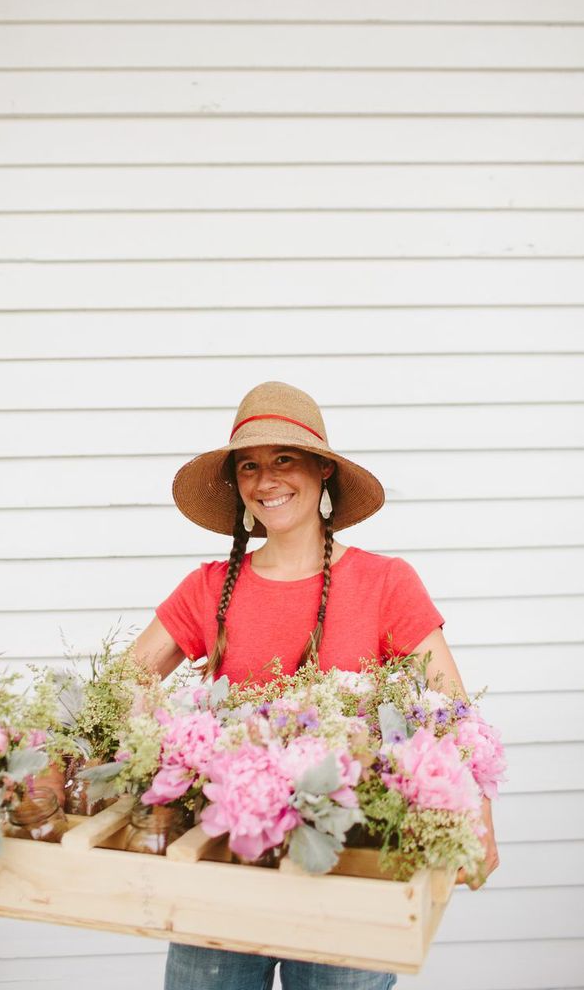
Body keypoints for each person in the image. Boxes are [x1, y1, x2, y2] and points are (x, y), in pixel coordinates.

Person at [133, 380, 499, 990]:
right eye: (249, 466)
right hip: (227, 870)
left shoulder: (386, 582)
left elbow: (452, 711)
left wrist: (480, 817)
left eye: (284, 460)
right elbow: (127, 682)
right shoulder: (207, 586)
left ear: (323, 470)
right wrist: (162, 755)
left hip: (350, 870)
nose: (266, 480)